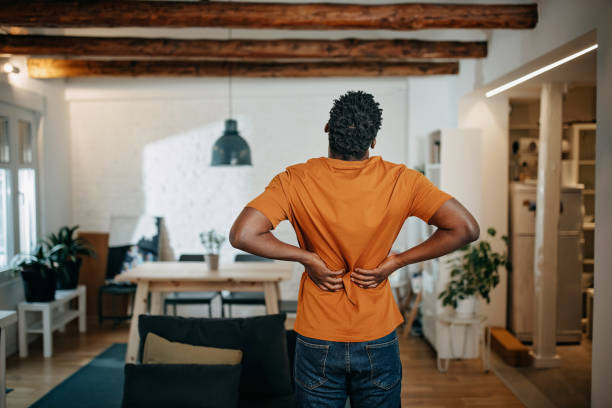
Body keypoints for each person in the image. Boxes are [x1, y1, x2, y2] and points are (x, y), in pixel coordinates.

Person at [229, 90, 479, 408]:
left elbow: (243, 234)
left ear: (327, 129)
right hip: (376, 333)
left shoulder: (294, 179)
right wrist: (396, 261)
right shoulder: (403, 180)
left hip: (318, 334)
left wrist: (307, 258)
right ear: (373, 141)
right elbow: (466, 228)